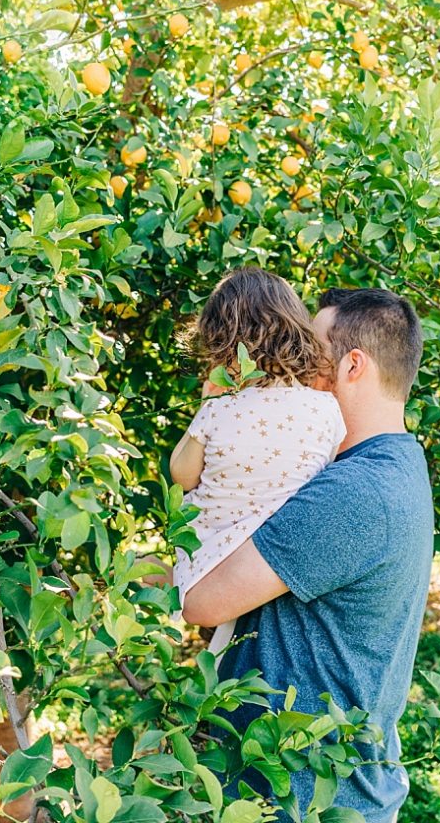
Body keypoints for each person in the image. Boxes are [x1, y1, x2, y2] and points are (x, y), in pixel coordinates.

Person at [183, 287, 435, 820]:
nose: (291, 362)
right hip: (326, 787)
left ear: (351, 366)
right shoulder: (395, 464)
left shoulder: (351, 494)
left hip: (306, 800)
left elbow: (203, 603)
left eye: (308, 348)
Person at [170, 267, 346, 654]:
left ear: (222, 346)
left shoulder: (220, 407)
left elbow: (182, 475)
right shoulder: (326, 409)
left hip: (208, 556)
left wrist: (206, 404)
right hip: (275, 556)